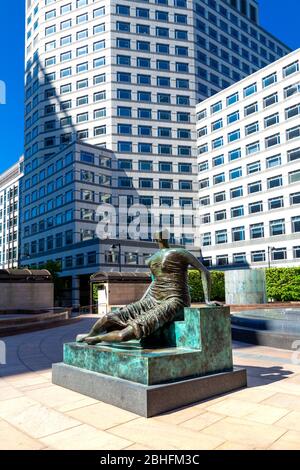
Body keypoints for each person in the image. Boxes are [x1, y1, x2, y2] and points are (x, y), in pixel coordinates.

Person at [77, 231, 215, 344]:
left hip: (175, 301)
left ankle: (96, 338)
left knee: (123, 335)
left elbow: (204, 271)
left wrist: (207, 300)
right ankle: (90, 334)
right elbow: (154, 283)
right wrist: (141, 303)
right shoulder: (151, 260)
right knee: (109, 317)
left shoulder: (180, 253)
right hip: (153, 299)